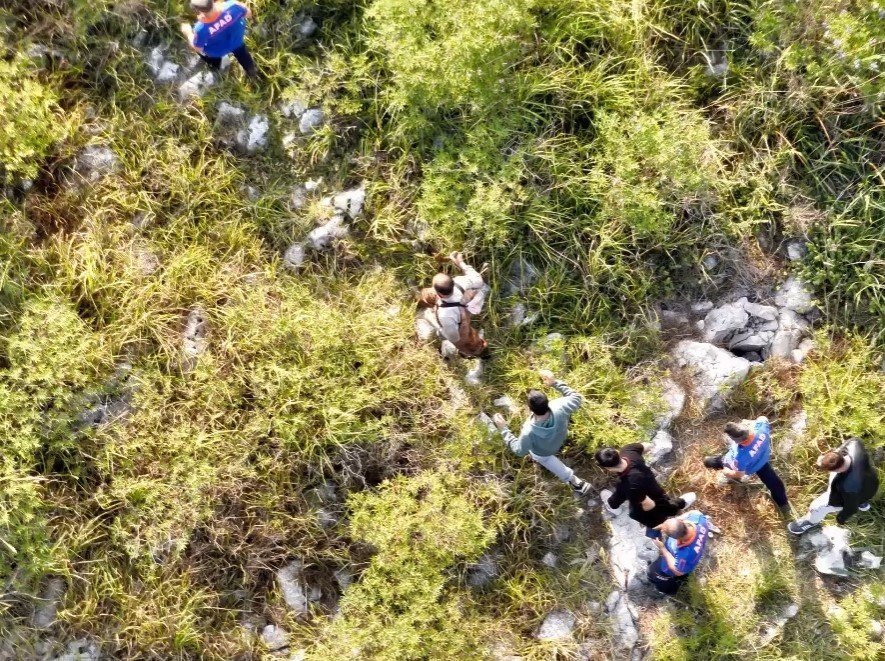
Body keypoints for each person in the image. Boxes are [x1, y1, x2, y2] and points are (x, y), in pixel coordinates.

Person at [492, 370, 592, 495]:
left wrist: (503, 428)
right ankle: (577, 483)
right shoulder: (559, 406)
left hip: (544, 452)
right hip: (561, 437)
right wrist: (554, 383)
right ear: (547, 401)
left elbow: (519, 451)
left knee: (544, 458)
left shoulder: (528, 431)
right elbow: (576, 398)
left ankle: (575, 482)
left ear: (529, 408)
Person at [596, 444, 696, 539]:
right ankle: (681, 503)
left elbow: (650, 505)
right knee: (666, 504)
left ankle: (659, 528)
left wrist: (648, 515)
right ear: (617, 452)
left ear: (608, 468)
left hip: (646, 498)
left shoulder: (627, 486)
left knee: (637, 513)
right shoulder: (628, 451)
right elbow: (647, 446)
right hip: (654, 487)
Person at [788, 438, 880, 535]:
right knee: (857, 495)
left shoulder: (847, 486)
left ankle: (810, 522)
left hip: (853, 495)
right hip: (872, 484)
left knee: (817, 507)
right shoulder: (855, 445)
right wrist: (828, 458)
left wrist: (841, 518)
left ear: (837, 470)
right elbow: (854, 440)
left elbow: (851, 508)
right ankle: (862, 502)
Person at [702, 416, 790, 513]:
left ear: (738, 441)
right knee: (775, 484)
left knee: (719, 462)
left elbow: (739, 473)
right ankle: (783, 504)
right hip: (763, 463)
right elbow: (763, 418)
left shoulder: (740, 457)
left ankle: (713, 464)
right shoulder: (762, 429)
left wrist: (727, 473)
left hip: (750, 466)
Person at [417, 252, 489, 358]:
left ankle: (480, 352)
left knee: (472, 345)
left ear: (439, 294)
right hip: (468, 302)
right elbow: (478, 279)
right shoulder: (460, 281)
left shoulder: (445, 315)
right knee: (425, 294)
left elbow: (455, 339)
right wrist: (460, 262)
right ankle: (419, 299)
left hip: (460, 320)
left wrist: (431, 320)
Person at [180, 0, 259, 78]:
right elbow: (248, 14)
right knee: (243, 54)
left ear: (198, 10)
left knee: (209, 55)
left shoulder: (200, 29)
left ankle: (216, 66)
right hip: (237, 40)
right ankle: (251, 70)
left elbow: (198, 48)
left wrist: (188, 33)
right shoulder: (233, 5)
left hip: (217, 51)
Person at [646, 511, 712, 595]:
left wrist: (663, 549)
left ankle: (670, 591)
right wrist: (669, 525)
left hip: (673, 567)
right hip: (690, 562)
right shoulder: (698, 518)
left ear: (677, 538)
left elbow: (678, 571)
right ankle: (683, 578)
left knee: (651, 573)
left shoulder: (685, 553)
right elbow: (692, 512)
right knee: (685, 573)